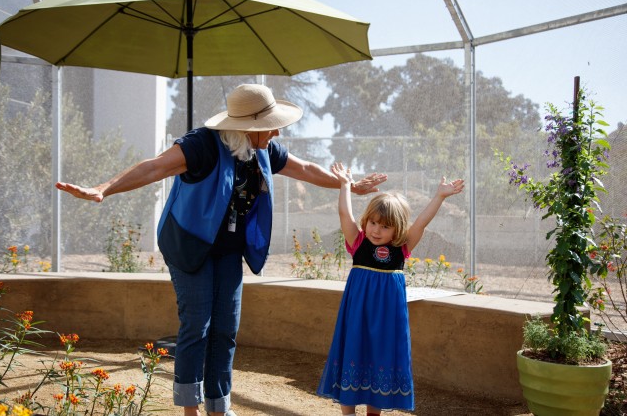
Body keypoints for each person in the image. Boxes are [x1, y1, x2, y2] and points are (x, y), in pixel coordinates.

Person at [55, 84, 387, 416]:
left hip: (228, 249)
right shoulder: (202, 144)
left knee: (226, 328)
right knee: (197, 324)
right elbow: (154, 167)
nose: (277, 131)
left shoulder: (264, 149)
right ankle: (190, 409)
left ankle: (219, 407)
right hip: (189, 245)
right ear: (247, 125)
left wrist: (349, 184)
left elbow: (304, 169)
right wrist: (103, 188)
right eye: (270, 125)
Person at [317, 162, 464, 416]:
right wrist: (344, 185)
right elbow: (345, 215)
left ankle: (375, 412)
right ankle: (348, 413)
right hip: (357, 316)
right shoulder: (358, 241)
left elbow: (421, 223)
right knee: (353, 350)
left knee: (380, 359)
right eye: (373, 223)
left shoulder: (402, 247)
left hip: (387, 319)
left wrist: (439, 196)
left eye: (385, 226)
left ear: (397, 228)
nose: (376, 230)